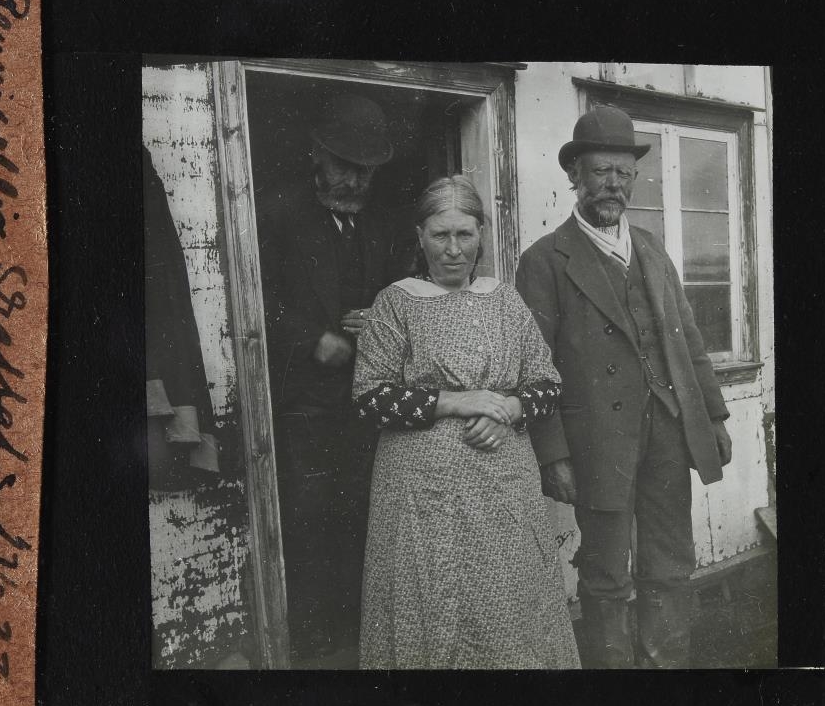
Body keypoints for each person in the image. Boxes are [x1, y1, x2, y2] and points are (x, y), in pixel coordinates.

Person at [515, 104, 733, 669]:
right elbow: (533, 367)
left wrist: (712, 417)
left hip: (667, 430)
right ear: (574, 175)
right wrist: (553, 455)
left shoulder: (653, 249)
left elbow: (688, 341)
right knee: (606, 571)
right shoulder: (544, 261)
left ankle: (666, 677)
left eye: (623, 173)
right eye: (600, 171)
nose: (613, 184)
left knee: (670, 561)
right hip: (597, 443)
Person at [352, 175, 580, 669]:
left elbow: (547, 383)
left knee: (507, 602)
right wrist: (459, 401)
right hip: (422, 497)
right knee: (433, 599)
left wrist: (508, 410)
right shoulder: (396, 302)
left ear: (481, 235)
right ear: (420, 237)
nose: (453, 249)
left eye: (465, 234)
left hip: (504, 489)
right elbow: (370, 397)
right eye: (440, 235)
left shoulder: (506, 301)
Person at [256, 92, 399, 665]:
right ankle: (311, 643)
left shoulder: (383, 224)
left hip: (365, 402)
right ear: (316, 152)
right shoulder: (276, 213)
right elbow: (253, 297)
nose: (355, 181)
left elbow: (403, 296)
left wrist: (379, 318)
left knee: (360, 512)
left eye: (366, 170)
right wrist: (312, 338)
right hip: (302, 403)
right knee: (308, 516)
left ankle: (354, 633)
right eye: (344, 165)